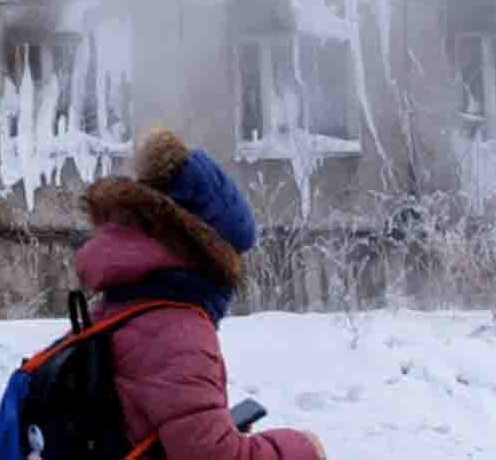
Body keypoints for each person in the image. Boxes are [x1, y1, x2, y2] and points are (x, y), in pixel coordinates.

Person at [75, 128, 327, 460]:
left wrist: (213, 431)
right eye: (235, 255)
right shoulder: (176, 334)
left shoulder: (118, 310)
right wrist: (304, 450)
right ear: (212, 256)